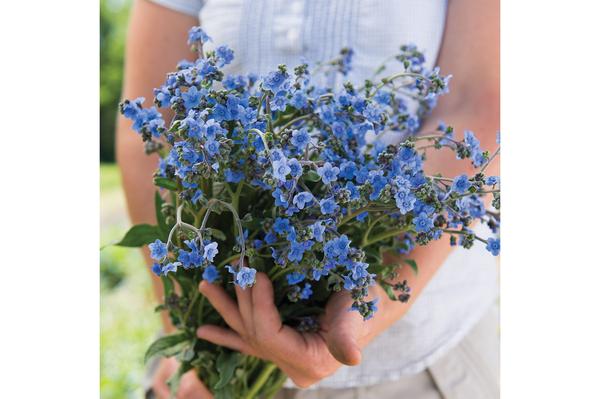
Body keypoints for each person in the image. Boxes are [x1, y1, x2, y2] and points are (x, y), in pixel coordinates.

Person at [116, 0, 500, 398]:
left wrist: (371, 306)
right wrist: (188, 338)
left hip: (421, 357)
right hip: (212, 359)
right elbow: (152, 123)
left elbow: (478, 102)